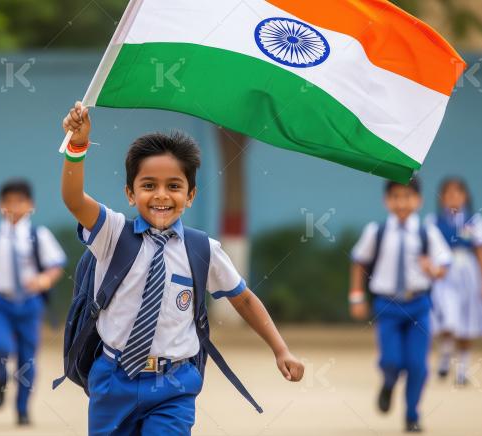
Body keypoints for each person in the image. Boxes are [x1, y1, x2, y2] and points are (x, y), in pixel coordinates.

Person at [60, 102, 304, 435]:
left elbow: (244, 299)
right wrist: (77, 146)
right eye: (149, 186)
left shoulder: (203, 250)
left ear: (190, 195)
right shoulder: (112, 234)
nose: (161, 196)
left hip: (173, 386)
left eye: (174, 186)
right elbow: (74, 200)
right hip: (113, 379)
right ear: (130, 193)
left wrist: (281, 349)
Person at [348, 178, 452, 433]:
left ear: (419, 200)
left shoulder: (427, 233)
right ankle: (388, 382)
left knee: (417, 365)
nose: (402, 203)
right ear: (386, 201)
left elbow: (444, 265)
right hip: (388, 306)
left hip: (419, 305)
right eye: (395, 197)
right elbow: (359, 261)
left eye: (407, 197)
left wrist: (433, 269)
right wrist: (356, 296)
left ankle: (412, 415)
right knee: (391, 359)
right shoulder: (377, 231)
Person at [0, 179, 66, 426]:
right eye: (7, 201)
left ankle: (22, 409)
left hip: (30, 304)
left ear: (31, 205)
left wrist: (45, 279)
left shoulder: (38, 234)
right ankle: (1, 378)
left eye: (19, 201)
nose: (13, 207)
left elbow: (56, 265)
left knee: (27, 360)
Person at [429, 177, 482, 386]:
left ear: (465, 196)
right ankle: (445, 354)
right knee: (446, 318)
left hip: (468, 273)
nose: (453, 198)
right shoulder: (433, 221)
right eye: (448, 193)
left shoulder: (474, 222)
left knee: (467, 321)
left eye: (457, 193)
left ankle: (462, 370)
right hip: (443, 273)